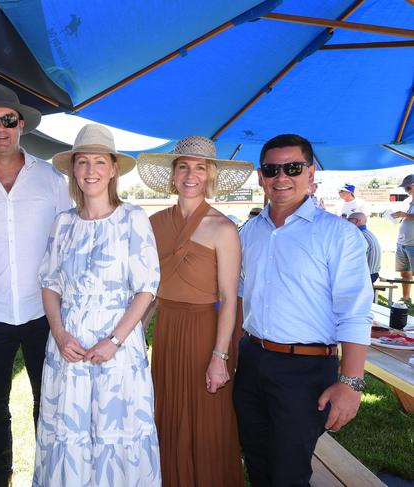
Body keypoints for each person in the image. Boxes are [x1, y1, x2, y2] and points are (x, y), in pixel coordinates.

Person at [234, 134, 373, 486]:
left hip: (305, 370)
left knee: (289, 474)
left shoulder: (338, 235)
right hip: (251, 361)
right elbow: (239, 298)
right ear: (260, 176)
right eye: (271, 169)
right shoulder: (249, 232)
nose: (281, 177)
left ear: (311, 174)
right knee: (258, 462)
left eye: (292, 168)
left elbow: (355, 312)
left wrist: (351, 383)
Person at [0, 84, 72, 487]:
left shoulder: (53, 180)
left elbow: (68, 245)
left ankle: (49, 476)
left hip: (44, 311)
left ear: (21, 125)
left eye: (8, 120)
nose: (0, 128)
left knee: (49, 402)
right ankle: (0, 478)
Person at [33, 124, 161, 486]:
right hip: (69, 346)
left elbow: (147, 288)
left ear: (113, 169)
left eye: (99, 162)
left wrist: (115, 341)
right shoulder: (63, 224)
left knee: (116, 435)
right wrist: (59, 333)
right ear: (73, 169)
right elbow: (49, 283)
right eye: (83, 162)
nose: (91, 170)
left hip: (118, 347)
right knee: (67, 434)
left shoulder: (133, 219)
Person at [138, 136, 253, 486]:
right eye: (183, 167)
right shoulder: (153, 223)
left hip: (207, 331)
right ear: (173, 175)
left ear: (210, 175)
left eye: (199, 168)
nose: (191, 175)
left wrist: (220, 356)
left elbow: (229, 298)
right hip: (168, 330)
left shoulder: (223, 228)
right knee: (168, 413)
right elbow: (151, 292)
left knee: (208, 418)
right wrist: (137, 335)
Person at [391, 174, 414, 301]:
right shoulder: (407, 201)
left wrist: (404, 215)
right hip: (401, 242)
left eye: (408, 188)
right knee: (404, 272)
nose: (405, 190)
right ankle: (406, 297)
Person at [348, 212, 381, 283]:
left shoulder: (359, 234)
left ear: (358, 221)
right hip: (372, 272)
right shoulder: (366, 232)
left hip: (367, 274)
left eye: (350, 219)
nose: (347, 221)